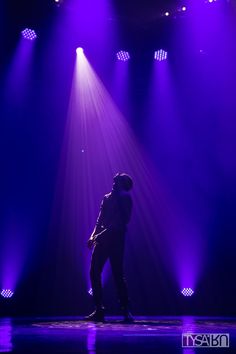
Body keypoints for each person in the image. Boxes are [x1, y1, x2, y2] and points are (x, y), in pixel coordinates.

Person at [85, 173, 134, 322]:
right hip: (103, 239)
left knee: (118, 274)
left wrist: (99, 235)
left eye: (117, 181)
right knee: (94, 272)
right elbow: (99, 219)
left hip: (116, 239)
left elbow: (120, 223)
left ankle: (126, 310)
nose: (113, 183)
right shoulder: (106, 198)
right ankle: (99, 309)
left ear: (122, 185)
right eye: (114, 180)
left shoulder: (125, 199)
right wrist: (93, 235)